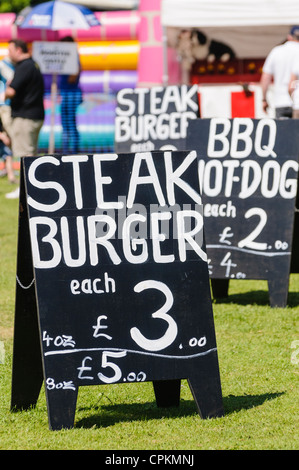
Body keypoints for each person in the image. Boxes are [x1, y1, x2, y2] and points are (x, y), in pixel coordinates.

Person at [4, 39, 45, 199]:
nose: (9, 54)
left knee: (25, 156)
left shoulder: (24, 67)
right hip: (34, 115)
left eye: (10, 50)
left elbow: (12, 91)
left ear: (19, 50)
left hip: (25, 117)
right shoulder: (33, 64)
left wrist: (6, 90)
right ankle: (32, 190)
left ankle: (26, 191)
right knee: (30, 154)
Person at [260, 26, 299, 118]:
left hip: (281, 101)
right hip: (297, 101)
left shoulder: (277, 51)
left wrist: (264, 99)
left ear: (289, 37)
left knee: (283, 131)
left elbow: (265, 78)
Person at [59, 36, 82, 154]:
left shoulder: (73, 57)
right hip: (67, 93)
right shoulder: (68, 57)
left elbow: (74, 75)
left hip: (71, 94)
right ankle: (67, 149)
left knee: (70, 123)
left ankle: (72, 150)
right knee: (66, 123)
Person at [0, 55, 15, 183]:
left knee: (7, 146)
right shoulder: (4, 64)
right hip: (5, 105)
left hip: (6, 104)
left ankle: (9, 173)